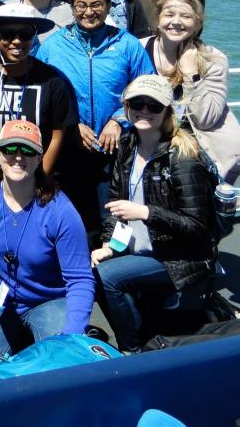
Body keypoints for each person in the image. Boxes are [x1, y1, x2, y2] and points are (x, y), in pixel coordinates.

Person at [91, 75, 217, 353]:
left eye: (154, 106)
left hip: (178, 256)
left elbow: (198, 229)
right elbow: (115, 202)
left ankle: (132, 351)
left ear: (167, 112)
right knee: (92, 270)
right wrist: (108, 245)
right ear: (126, 107)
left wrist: (147, 213)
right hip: (141, 246)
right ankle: (144, 335)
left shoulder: (182, 157)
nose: (144, 111)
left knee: (108, 277)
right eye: (137, 103)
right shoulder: (126, 145)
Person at [0, 120, 95, 371]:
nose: (18, 157)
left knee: (63, 368)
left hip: (49, 300)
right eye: (10, 149)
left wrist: (74, 332)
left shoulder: (60, 210)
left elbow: (80, 279)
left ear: (40, 156)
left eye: (28, 150)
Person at [36, 0, 154, 234]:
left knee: (110, 214)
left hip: (113, 149)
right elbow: (40, 94)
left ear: (109, 6)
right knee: (67, 216)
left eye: (97, 5)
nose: (89, 12)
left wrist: (119, 119)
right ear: (72, 7)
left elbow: (147, 89)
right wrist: (71, 125)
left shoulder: (127, 44)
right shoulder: (54, 46)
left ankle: (109, 266)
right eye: (81, 6)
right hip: (68, 146)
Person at [142, 0, 240, 183]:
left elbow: (206, 119)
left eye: (186, 16)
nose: (176, 21)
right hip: (146, 143)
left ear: (197, 24)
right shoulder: (137, 49)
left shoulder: (212, 59)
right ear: (158, 19)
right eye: (169, 14)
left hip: (191, 149)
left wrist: (191, 74)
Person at [0, 2, 76, 176]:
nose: (16, 41)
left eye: (26, 35)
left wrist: (39, 179)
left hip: (34, 172)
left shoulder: (52, 81)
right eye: (7, 34)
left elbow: (57, 135)